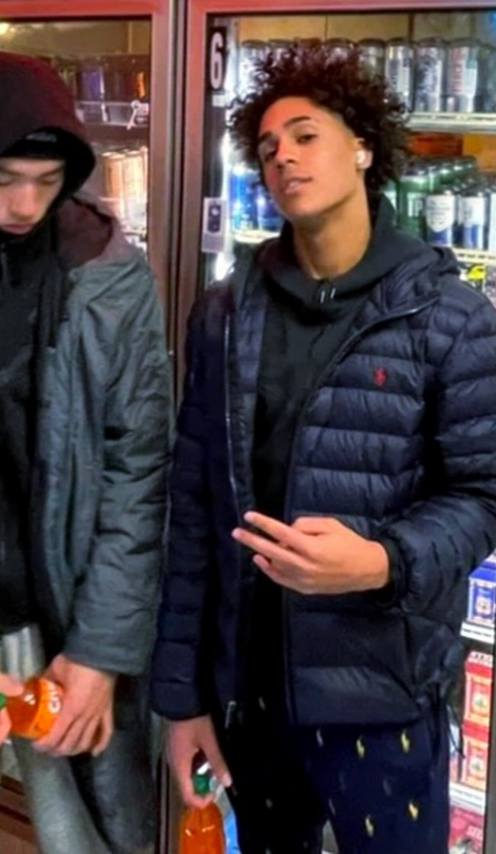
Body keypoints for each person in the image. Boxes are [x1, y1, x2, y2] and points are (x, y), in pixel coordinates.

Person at [151, 42, 496, 854]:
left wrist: (383, 561)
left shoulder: (449, 317)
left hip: (382, 700)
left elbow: (487, 495)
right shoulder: (225, 314)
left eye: (306, 135)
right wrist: (183, 700)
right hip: (251, 699)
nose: (283, 156)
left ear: (362, 147)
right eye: (267, 147)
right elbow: (195, 511)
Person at [0, 52, 172, 854]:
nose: (25, 204)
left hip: (63, 617)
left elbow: (138, 474)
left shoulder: (110, 277)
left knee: (88, 835)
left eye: (45, 181)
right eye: (5, 179)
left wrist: (101, 653)